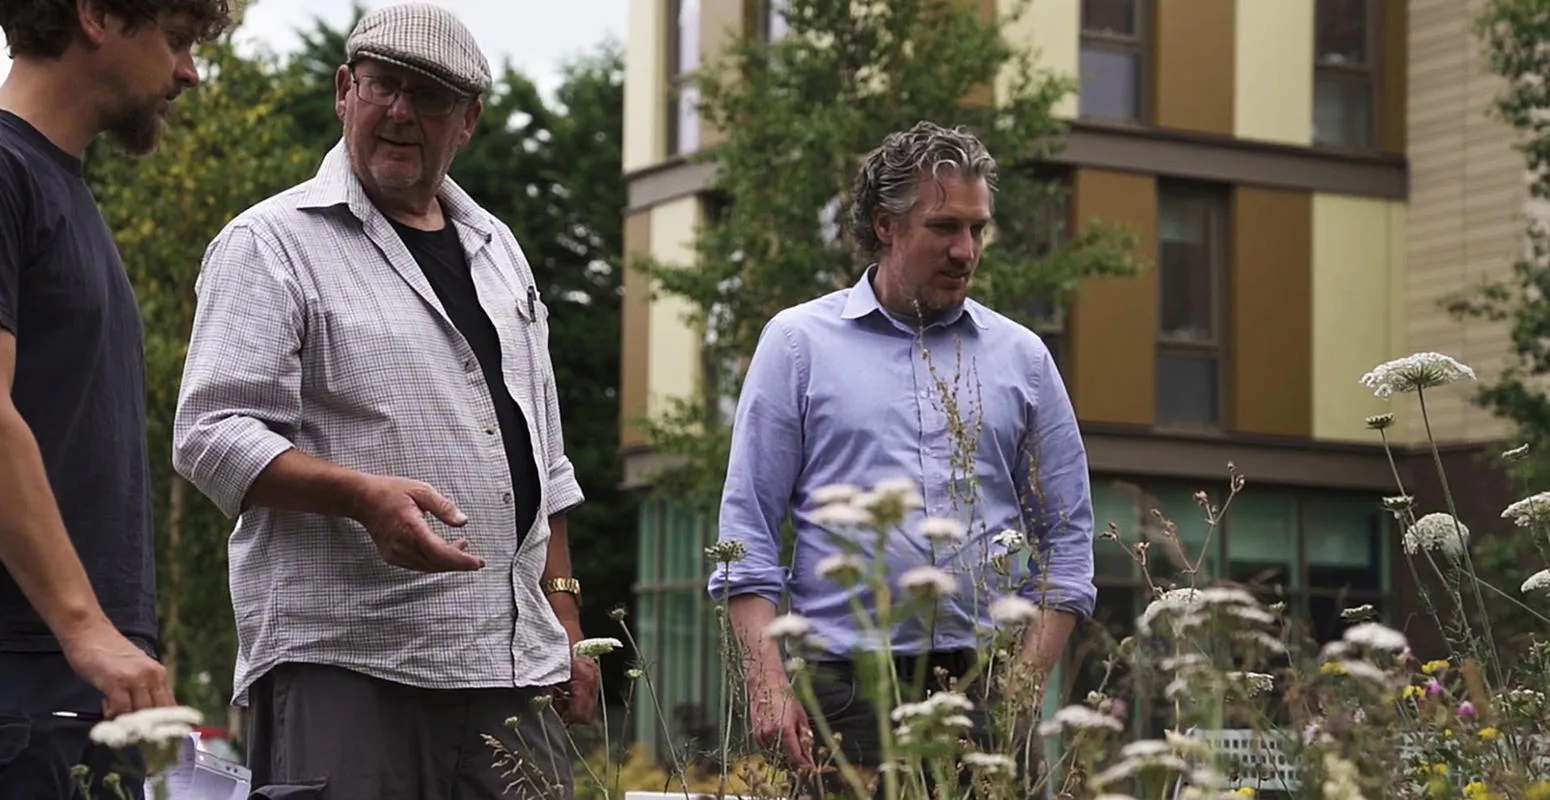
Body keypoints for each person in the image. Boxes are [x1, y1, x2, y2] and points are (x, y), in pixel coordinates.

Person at [171, 4, 593, 797]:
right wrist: (360, 497)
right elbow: (210, 433)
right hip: (349, 663)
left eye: (428, 96)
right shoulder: (270, 243)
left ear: (466, 120)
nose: (401, 111)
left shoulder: (499, 251)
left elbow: (544, 453)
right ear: (343, 91)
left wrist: (564, 616)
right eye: (382, 86)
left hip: (508, 667)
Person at [708, 121, 1097, 793]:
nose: (965, 250)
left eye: (978, 229)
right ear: (886, 225)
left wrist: (1022, 688)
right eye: (945, 226)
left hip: (981, 687)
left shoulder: (1023, 359)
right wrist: (768, 683)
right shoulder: (798, 345)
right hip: (842, 692)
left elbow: (1069, 537)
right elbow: (746, 535)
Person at [0, 1, 232, 797]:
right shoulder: (3, 171)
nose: (188, 72)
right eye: (176, 40)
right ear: (95, 14)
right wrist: (83, 626)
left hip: (75, 686)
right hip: (27, 684)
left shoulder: (58, 188)